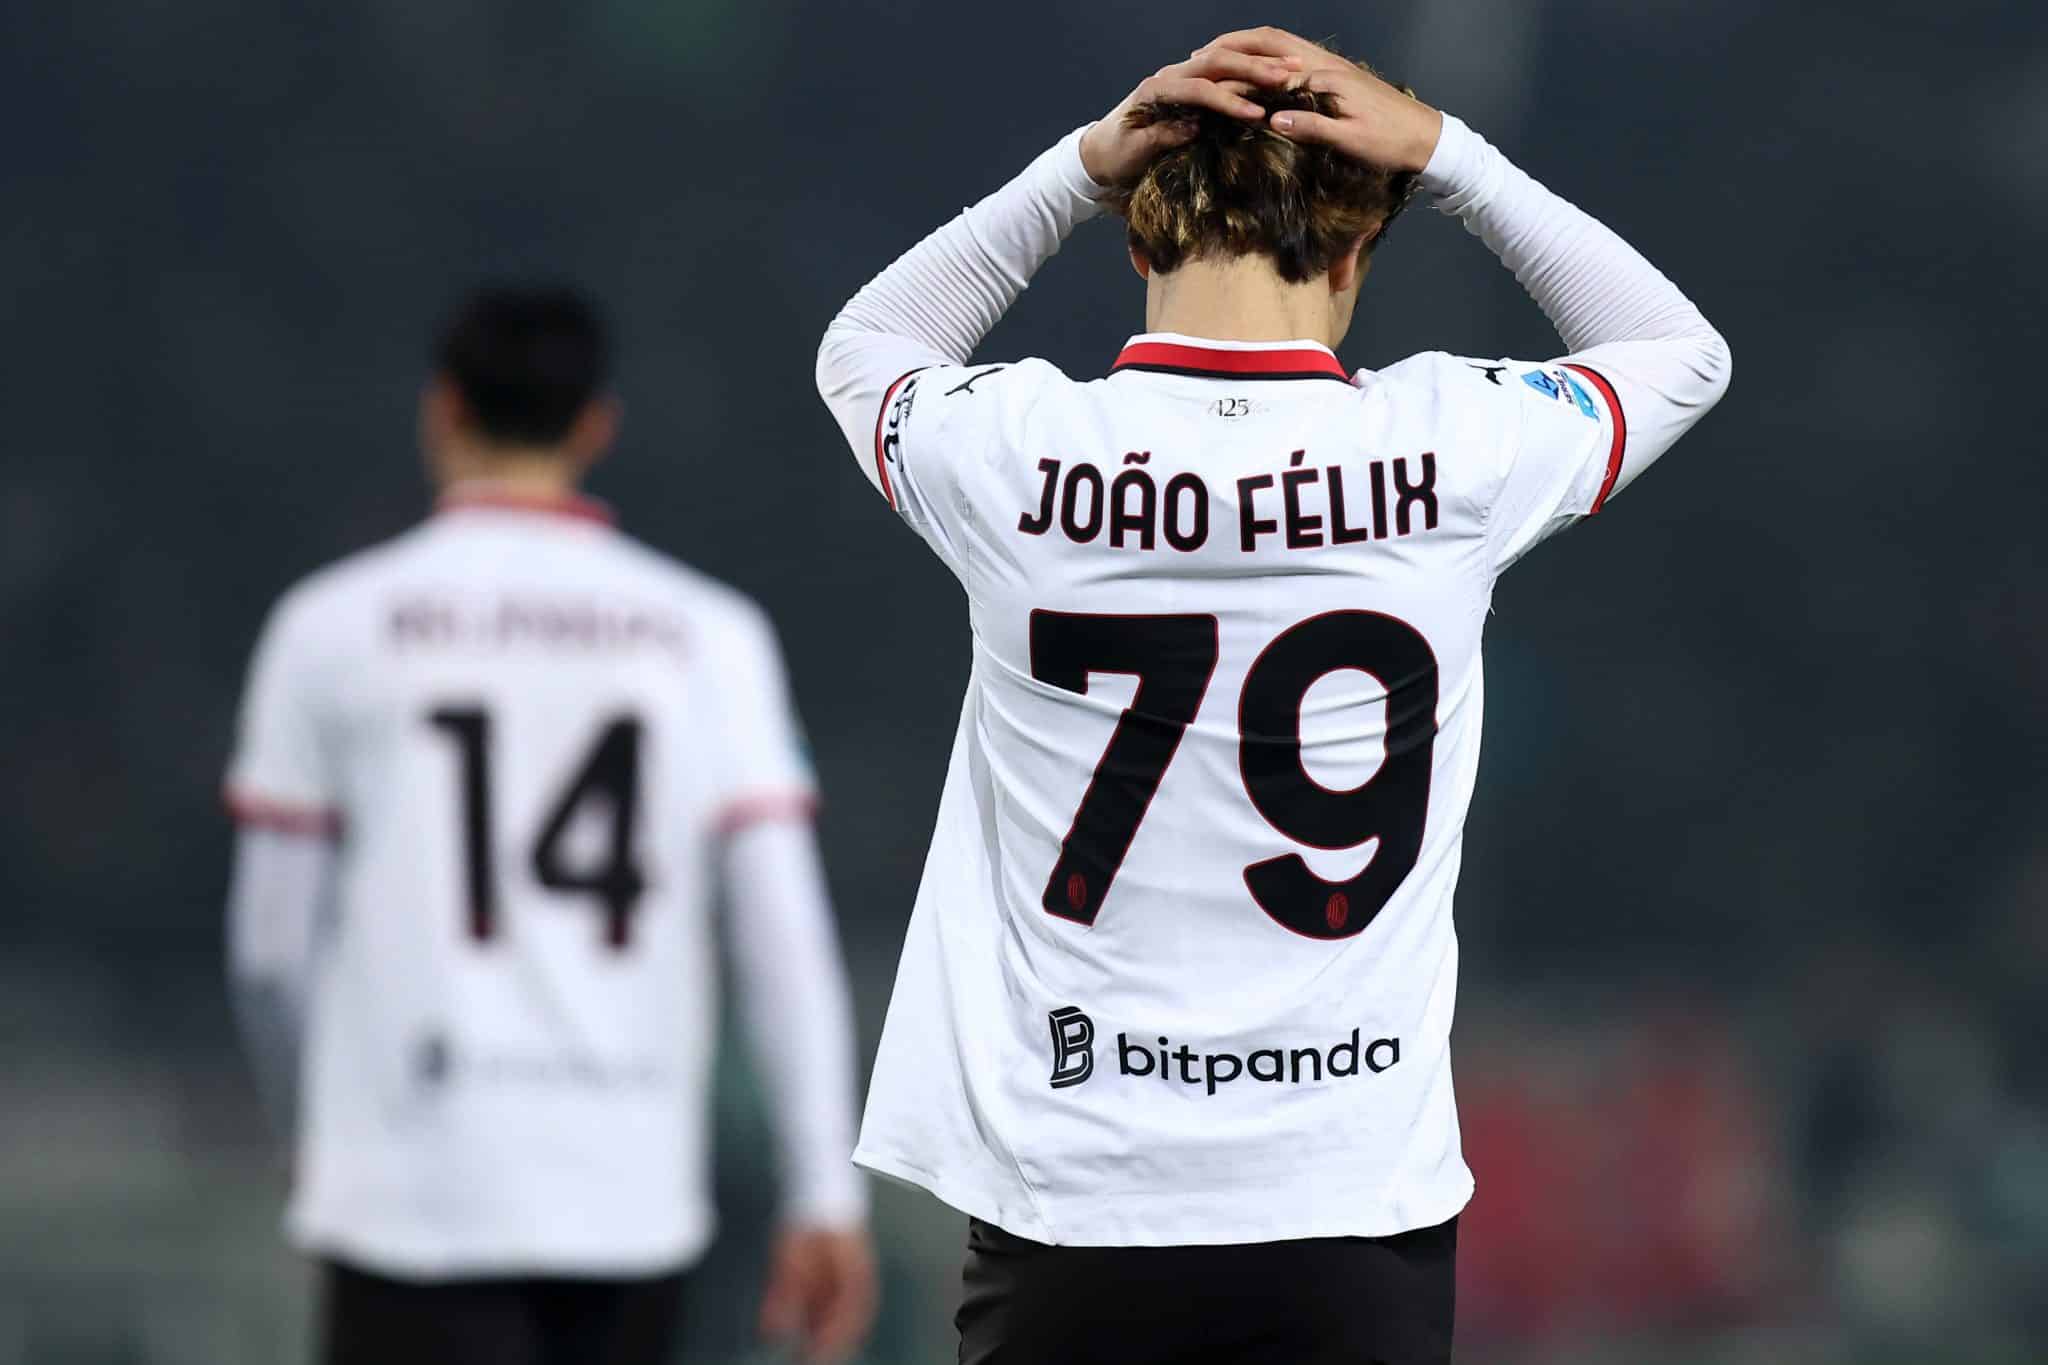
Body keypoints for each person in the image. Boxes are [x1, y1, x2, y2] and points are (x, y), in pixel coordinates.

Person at [815, 27, 1729, 1365]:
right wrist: (1447, 153)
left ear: (1137, 248)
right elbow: (1678, 351)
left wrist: (1079, 165)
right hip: (1348, 1202)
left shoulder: (1013, 452)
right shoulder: (1452, 447)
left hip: (1079, 1198)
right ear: (1353, 259)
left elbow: (868, 345)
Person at [226, 286, 876, 1365]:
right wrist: (822, 1193)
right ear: (593, 425)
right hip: (622, 1192)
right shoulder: (708, 635)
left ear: (441, 408)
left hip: (403, 1190)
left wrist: (317, 1135)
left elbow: (267, 950)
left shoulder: (329, 627)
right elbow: (781, 940)